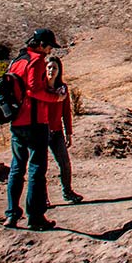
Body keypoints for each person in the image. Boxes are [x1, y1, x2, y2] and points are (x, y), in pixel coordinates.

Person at [4, 28, 66, 231]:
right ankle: (35, 216)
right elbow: (33, 89)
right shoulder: (36, 60)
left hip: (16, 121)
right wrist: (56, 98)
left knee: (16, 168)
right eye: (48, 46)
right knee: (36, 169)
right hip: (35, 120)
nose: (49, 51)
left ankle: (12, 214)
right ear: (40, 44)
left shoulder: (17, 60)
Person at [45, 56, 84, 205]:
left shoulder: (62, 89)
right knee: (41, 167)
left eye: (54, 68)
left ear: (59, 70)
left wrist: (69, 132)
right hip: (41, 131)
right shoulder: (41, 89)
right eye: (49, 67)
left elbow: (66, 112)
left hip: (56, 131)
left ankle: (67, 191)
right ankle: (43, 198)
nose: (51, 70)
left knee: (65, 163)